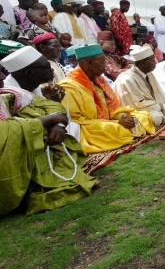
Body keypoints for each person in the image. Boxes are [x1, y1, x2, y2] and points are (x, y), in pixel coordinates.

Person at [0, 51, 96, 215]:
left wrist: (57, 123)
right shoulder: (9, 91)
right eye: (46, 67)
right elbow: (6, 131)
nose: (2, 78)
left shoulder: (25, 91)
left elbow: (53, 109)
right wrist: (44, 122)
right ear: (30, 73)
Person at [59, 44, 155, 154]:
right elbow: (76, 121)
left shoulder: (99, 80)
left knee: (142, 116)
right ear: (90, 63)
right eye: (102, 63)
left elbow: (113, 107)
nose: (105, 66)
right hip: (89, 128)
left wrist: (123, 116)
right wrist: (117, 122)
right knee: (113, 128)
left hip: (108, 121)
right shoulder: (69, 87)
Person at [113, 46, 165, 127]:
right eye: (152, 60)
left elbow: (157, 94)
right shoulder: (127, 79)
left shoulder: (148, 72)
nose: (155, 62)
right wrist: (164, 106)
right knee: (156, 117)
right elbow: (137, 105)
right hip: (136, 110)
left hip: (152, 105)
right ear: (143, 63)